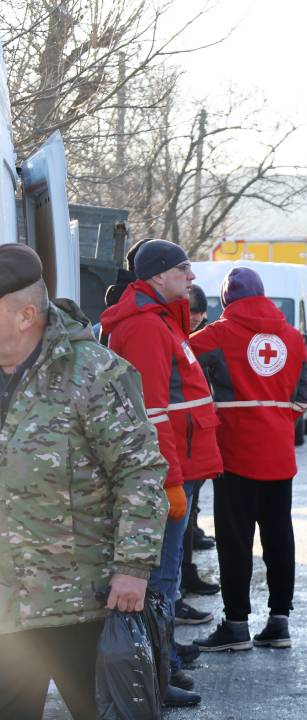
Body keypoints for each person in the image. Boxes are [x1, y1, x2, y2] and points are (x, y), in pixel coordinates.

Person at [0, 244, 168, 720]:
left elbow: (139, 470)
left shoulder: (91, 373)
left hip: (83, 601)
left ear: (25, 315)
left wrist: (134, 566)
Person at [99, 239, 224, 708]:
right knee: (161, 580)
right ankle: (155, 674)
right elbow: (151, 410)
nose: (191, 278)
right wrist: (169, 479)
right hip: (168, 473)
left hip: (180, 467)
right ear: (156, 276)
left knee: (165, 577)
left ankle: (163, 661)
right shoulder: (148, 329)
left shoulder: (160, 322)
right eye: (183, 269)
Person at [189, 267, 307, 653]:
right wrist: (275, 419)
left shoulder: (216, 335)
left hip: (233, 453)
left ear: (226, 300)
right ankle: (280, 622)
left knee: (234, 540)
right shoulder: (291, 337)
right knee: (279, 537)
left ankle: (237, 624)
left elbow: (181, 362)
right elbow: (305, 395)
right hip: (279, 454)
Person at [179, 284, 221, 614]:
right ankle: (179, 586)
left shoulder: (187, 339)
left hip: (193, 450)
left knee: (187, 520)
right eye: (194, 313)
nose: (198, 319)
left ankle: (186, 575)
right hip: (181, 452)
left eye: (201, 314)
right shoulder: (176, 339)